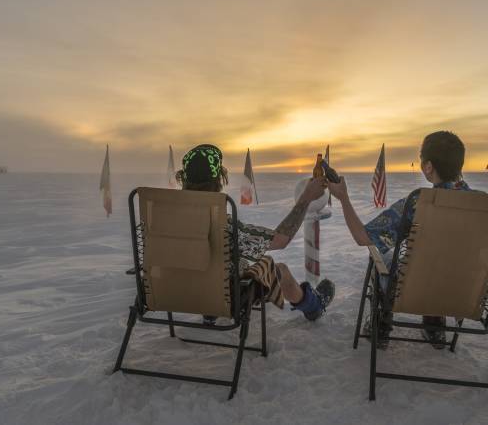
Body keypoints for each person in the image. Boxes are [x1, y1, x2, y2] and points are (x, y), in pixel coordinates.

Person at [327, 131, 471, 349]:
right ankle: (434, 324)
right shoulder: (483, 207)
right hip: (463, 292)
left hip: (413, 290)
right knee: (446, 261)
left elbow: (363, 238)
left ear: (428, 167)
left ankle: (381, 324)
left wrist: (343, 198)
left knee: (379, 255)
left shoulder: (418, 203)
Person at [176, 144, 336, 323]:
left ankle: (209, 311)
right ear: (219, 181)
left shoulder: (162, 217)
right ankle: (313, 306)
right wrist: (306, 197)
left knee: (236, 261)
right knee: (278, 269)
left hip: (176, 291)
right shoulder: (221, 224)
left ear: (183, 179)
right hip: (223, 296)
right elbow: (281, 240)